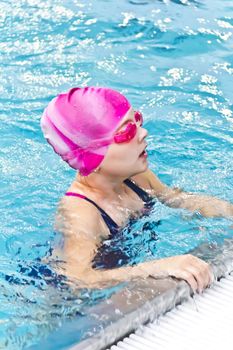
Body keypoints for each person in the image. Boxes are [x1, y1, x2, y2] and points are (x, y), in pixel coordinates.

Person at [41, 86, 233, 293]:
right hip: (65, 298)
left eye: (137, 120)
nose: (143, 132)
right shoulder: (81, 213)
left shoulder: (137, 177)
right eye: (126, 131)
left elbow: (180, 200)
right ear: (92, 156)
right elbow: (77, 279)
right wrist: (157, 267)